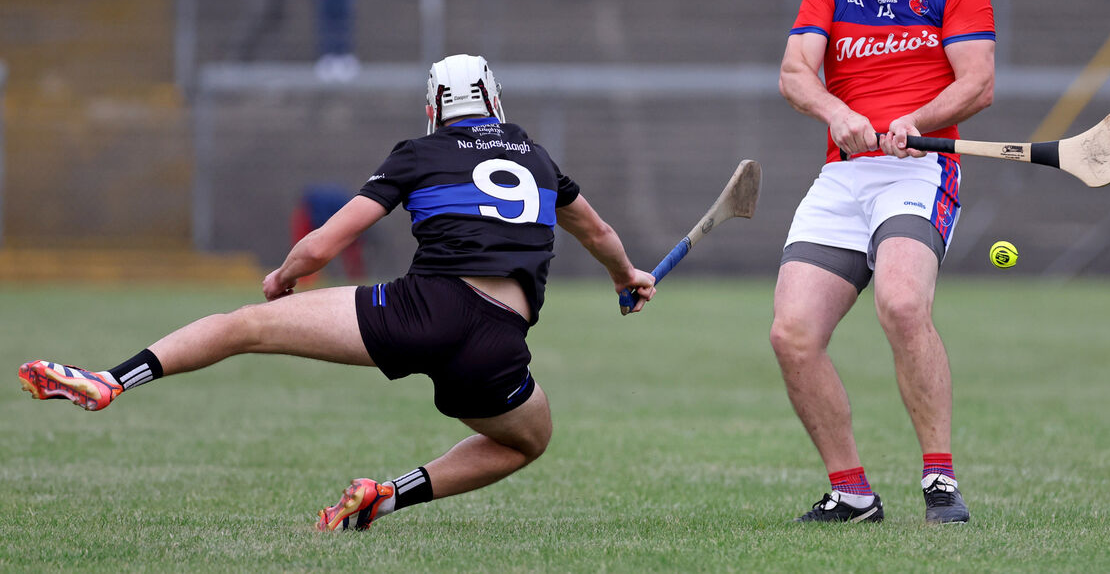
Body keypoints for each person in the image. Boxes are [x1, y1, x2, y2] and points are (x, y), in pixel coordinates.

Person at [17, 54, 658, 532]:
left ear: (434, 108)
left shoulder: (419, 151)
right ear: (494, 101)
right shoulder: (540, 160)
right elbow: (598, 232)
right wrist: (626, 279)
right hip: (496, 343)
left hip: (418, 311)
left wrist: (284, 278)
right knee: (526, 442)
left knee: (244, 326)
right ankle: (389, 495)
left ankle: (110, 381)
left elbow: (326, 243)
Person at [769, 0, 995, 524]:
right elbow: (794, 73)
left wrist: (917, 122)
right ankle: (853, 492)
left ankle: (940, 480)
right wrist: (836, 112)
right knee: (792, 335)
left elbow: (977, 84)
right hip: (844, 176)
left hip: (919, 170)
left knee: (900, 303)